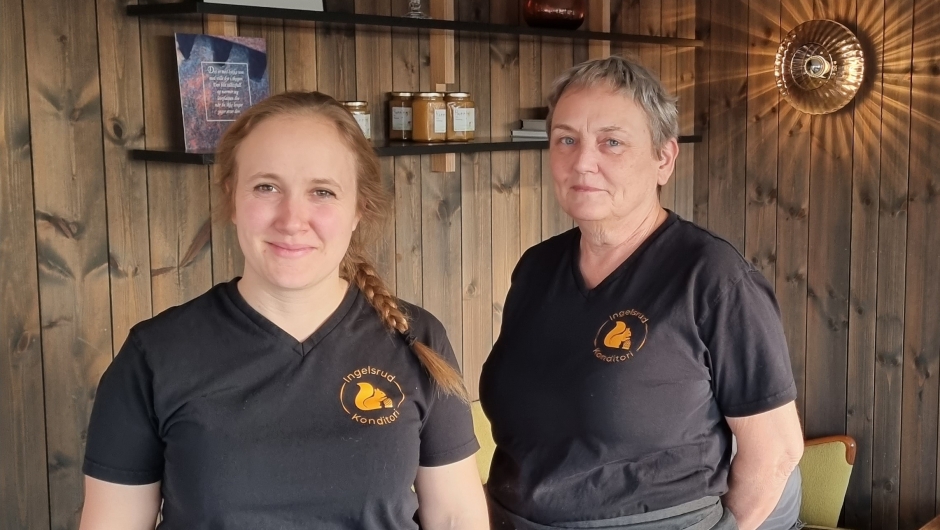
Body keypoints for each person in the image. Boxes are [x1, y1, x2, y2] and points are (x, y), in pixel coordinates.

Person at [79, 91, 488, 530]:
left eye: (323, 192)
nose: (292, 219)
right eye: (266, 187)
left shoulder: (416, 337)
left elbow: (455, 516)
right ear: (232, 198)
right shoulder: (154, 354)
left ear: (358, 210)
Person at [479, 56, 805, 530]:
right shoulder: (537, 267)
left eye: (611, 142)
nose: (582, 161)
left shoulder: (712, 278)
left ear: (664, 159)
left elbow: (776, 450)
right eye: (566, 140)